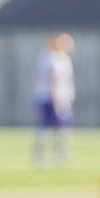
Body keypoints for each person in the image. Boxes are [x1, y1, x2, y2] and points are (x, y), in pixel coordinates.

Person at [32, 32, 75, 166]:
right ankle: (47, 153)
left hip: (55, 96)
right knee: (51, 126)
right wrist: (55, 96)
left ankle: (53, 153)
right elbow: (53, 78)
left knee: (56, 126)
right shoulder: (51, 57)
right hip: (52, 97)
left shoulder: (58, 57)